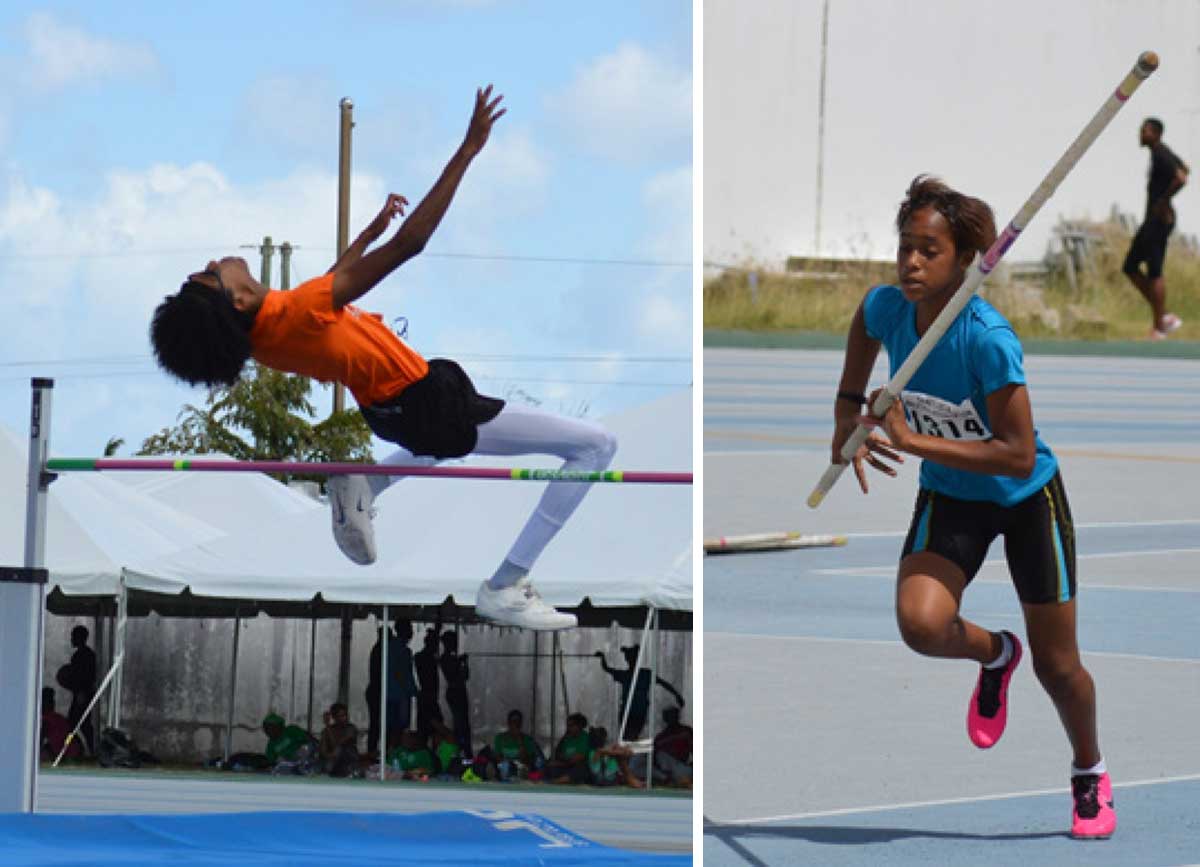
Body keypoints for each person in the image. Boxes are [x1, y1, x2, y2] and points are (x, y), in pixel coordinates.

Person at [149, 85, 616, 632]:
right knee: (594, 445)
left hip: (390, 409)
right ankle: (506, 583)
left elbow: (329, 290)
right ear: (236, 297)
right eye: (210, 272)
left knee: (439, 446)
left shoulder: (265, 333)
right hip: (425, 401)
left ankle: (368, 483)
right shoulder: (293, 311)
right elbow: (411, 244)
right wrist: (467, 152)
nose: (213, 260)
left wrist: (367, 234)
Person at [829, 175, 1114, 839]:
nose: (911, 262)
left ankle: (1089, 771)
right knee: (921, 623)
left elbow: (1016, 453)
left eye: (929, 251)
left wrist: (910, 438)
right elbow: (860, 337)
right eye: (906, 247)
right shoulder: (888, 309)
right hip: (953, 497)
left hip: (1024, 499)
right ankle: (994, 655)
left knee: (1060, 667)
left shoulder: (988, 339)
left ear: (964, 260)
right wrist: (845, 413)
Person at [1123, 117, 1188, 339]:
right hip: (1152, 219)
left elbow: (1181, 177)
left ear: (1157, 134)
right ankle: (1165, 316)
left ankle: (1160, 327)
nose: (1141, 134)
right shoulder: (1160, 153)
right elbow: (1185, 167)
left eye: (1146, 131)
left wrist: (1163, 201)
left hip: (1158, 220)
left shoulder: (1160, 153)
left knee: (1154, 270)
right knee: (1130, 265)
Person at [594, 645, 686, 740]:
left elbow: (607, 668)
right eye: (630, 658)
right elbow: (607, 668)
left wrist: (677, 695)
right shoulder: (634, 674)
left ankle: (629, 750)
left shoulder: (642, 674)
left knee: (629, 737)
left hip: (635, 712)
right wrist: (676, 695)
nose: (631, 661)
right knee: (628, 737)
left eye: (632, 658)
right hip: (632, 712)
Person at [55, 625, 97, 755]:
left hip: (82, 695)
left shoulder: (81, 655)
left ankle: (73, 749)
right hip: (83, 694)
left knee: (74, 725)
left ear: (80, 637)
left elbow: (83, 676)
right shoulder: (86, 654)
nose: (71, 638)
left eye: (73, 636)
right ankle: (86, 750)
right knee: (82, 725)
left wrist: (80, 692)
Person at [439, 631, 473, 758]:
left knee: (463, 724)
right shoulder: (445, 658)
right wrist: (460, 662)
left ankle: (465, 753)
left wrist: (463, 663)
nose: (454, 644)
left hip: (459, 692)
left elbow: (465, 676)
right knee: (460, 724)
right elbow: (455, 675)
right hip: (455, 692)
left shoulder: (453, 658)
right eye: (452, 642)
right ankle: (461, 753)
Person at [491, 708, 544, 780]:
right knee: (504, 766)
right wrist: (507, 762)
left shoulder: (527, 739)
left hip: (521, 768)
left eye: (518, 722)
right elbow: (497, 756)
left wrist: (520, 741)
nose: (515, 725)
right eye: (513, 722)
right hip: (504, 767)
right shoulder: (501, 738)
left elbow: (528, 760)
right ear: (508, 723)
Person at [545, 712, 591, 784]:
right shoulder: (567, 738)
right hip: (567, 767)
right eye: (568, 725)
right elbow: (560, 755)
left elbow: (578, 759)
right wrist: (556, 762)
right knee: (551, 769)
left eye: (571, 725)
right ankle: (564, 780)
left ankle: (556, 781)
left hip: (578, 767)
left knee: (581, 769)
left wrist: (560, 762)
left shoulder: (585, 738)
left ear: (579, 726)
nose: (569, 728)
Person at [318, 702, 359, 778]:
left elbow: (338, 744)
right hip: (333, 763)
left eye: (346, 715)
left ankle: (326, 772)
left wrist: (328, 726)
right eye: (341, 716)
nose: (345, 718)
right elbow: (323, 751)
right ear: (334, 717)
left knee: (340, 749)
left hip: (348, 763)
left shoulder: (351, 728)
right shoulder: (327, 730)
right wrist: (329, 756)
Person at [414, 626, 441, 738]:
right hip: (428, 697)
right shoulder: (424, 658)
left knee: (425, 729)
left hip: (427, 696)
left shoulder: (421, 657)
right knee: (434, 728)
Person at [40, 688, 80, 762]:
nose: (53, 703)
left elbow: (69, 735)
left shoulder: (53, 719)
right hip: (68, 755)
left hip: (68, 756)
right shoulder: (53, 719)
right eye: (49, 701)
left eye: (51, 701)